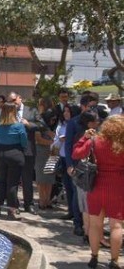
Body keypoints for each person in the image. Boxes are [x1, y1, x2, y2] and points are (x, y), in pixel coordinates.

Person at [73, 115, 124, 269]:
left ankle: (94, 257)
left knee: (95, 225)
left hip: (96, 185)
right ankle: (114, 261)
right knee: (117, 226)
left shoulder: (95, 141)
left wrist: (84, 138)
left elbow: (76, 153)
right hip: (118, 186)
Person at [65, 94, 99, 236]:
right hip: (78, 163)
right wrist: (69, 164)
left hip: (94, 165)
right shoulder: (73, 123)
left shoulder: (97, 122)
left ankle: (91, 227)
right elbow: (68, 146)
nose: (93, 109)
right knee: (77, 195)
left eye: (94, 106)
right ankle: (78, 224)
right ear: (83, 106)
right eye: (90, 106)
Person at [0, 102, 28, 220]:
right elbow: (24, 141)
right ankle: (11, 210)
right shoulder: (18, 126)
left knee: (1, 180)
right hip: (15, 154)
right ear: (13, 112)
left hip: (1, 154)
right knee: (12, 183)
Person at [9, 91, 39, 215]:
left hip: (28, 149)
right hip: (13, 149)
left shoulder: (31, 110)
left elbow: (41, 124)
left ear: (20, 98)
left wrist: (28, 124)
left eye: (14, 100)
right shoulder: (8, 111)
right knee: (13, 179)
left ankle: (29, 204)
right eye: (10, 101)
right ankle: (14, 204)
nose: (12, 103)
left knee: (27, 178)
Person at [34, 97, 57, 210]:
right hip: (43, 149)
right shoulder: (39, 120)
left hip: (51, 150)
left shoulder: (51, 120)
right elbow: (38, 138)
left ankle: (46, 200)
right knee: (42, 176)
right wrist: (52, 142)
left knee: (49, 176)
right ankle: (42, 200)